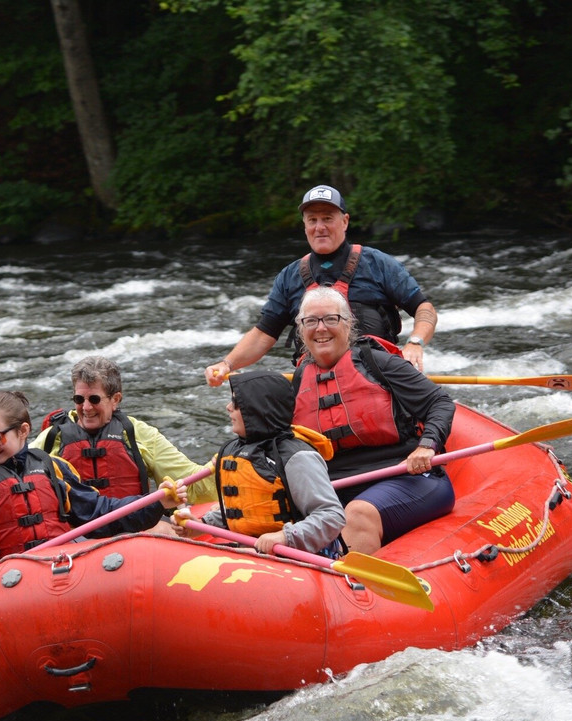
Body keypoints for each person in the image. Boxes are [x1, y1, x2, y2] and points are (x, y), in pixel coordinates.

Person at [0, 390, 187, 583]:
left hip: (64, 573)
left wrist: (158, 502)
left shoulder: (52, 467)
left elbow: (101, 513)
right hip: (7, 583)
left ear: (23, 431)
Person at [206, 184, 437, 385]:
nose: (320, 227)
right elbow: (264, 333)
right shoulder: (289, 276)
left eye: (328, 218)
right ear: (304, 225)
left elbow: (424, 308)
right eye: (312, 220)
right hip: (316, 385)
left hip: (378, 378)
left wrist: (415, 343)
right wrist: (228, 363)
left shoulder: (378, 263)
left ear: (344, 221)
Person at [290, 286, 455, 555]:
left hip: (406, 478)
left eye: (331, 319)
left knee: (357, 513)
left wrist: (427, 444)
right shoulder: (300, 379)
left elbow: (440, 403)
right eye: (311, 321)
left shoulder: (378, 363)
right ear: (301, 328)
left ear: (348, 323)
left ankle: (356, 591)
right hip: (336, 487)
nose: (321, 328)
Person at [180, 370, 346, 557]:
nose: (228, 407)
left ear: (258, 409)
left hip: (299, 555)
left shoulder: (297, 457)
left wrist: (285, 536)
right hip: (253, 550)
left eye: (236, 403)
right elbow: (245, 509)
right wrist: (200, 525)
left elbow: (331, 515)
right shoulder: (236, 450)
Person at [31, 356, 217, 506]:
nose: (86, 407)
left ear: (115, 399)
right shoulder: (53, 437)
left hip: (131, 528)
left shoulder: (139, 434)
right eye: (79, 399)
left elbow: (192, 483)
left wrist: (220, 469)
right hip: (74, 537)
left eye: (94, 399)